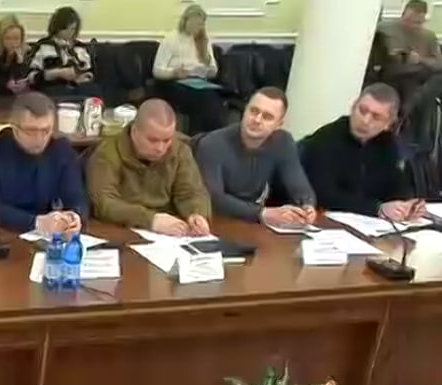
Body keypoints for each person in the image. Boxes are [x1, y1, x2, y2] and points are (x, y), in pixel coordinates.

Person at [300, 83, 425, 222]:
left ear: (389, 124)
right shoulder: (326, 138)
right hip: (328, 220)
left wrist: (407, 205)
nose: (365, 120)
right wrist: (377, 209)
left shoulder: (387, 143)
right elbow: (324, 195)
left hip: (370, 224)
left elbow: (396, 183)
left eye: (376, 117)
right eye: (362, 110)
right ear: (353, 106)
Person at [87, 99, 212, 236]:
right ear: (134, 131)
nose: (160, 148)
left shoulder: (180, 150)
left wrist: (196, 214)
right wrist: (151, 220)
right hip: (121, 229)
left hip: (171, 232)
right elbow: (105, 204)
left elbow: (191, 192)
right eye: (153, 140)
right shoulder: (108, 153)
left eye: (167, 140)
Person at [195, 87, 317, 227]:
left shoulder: (283, 142)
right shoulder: (212, 144)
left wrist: (307, 206)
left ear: (278, 124)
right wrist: (261, 213)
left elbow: (297, 182)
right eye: (253, 111)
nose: (257, 120)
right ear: (245, 110)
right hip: (214, 220)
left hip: (251, 222)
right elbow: (213, 199)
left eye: (267, 117)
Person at [0, 92, 86, 236]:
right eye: (31, 131)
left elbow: (76, 197)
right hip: (0, 234)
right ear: (14, 127)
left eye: (46, 130)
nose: (39, 138)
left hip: (48, 237)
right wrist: (36, 222)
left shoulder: (61, 151)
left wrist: (74, 217)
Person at [378, 0, 442, 147]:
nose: (412, 25)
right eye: (409, 20)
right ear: (402, 15)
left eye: (417, 23)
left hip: (422, 74)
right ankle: (420, 143)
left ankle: (413, 103)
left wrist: (420, 59)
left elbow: (439, 65)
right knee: (424, 96)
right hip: (397, 74)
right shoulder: (385, 30)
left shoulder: (428, 36)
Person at [153, 4, 225, 134]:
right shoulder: (171, 39)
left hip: (198, 82)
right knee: (204, 98)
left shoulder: (203, 40)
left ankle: (210, 136)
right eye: (195, 23)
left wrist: (208, 66)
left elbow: (214, 71)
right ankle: (201, 136)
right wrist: (174, 73)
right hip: (175, 82)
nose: (198, 27)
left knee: (213, 97)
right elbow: (157, 70)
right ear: (185, 21)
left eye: (201, 24)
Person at [29, 6, 101, 100]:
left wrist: (82, 77)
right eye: (66, 29)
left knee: (93, 91)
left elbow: (91, 73)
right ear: (57, 28)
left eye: (73, 29)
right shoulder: (43, 46)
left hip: (80, 87)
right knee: (57, 92)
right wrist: (57, 73)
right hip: (55, 88)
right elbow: (31, 77)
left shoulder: (80, 48)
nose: (69, 33)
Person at [0, 15, 33, 96]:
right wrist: (6, 85)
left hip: (19, 96)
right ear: (0, 38)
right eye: (8, 38)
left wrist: (20, 62)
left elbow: (25, 78)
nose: (12, 43)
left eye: (16, 38)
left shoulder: (27, 52)